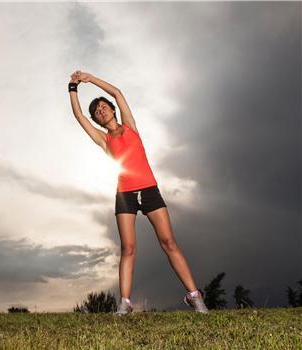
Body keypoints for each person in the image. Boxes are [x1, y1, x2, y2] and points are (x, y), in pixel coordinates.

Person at [68, 70, 209, 316]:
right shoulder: (103, 140)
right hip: (125, 195)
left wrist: (90, 78)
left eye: (103, 107)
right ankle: (125, 303)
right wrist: (73, 88)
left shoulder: (130, 126)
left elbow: (117, 92)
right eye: (97, 112)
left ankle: (194, 297)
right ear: (98, 120)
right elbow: (80, 116)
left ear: (112, 109)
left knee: (169, 242)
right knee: (128, 248)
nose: (101, 111)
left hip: (149, 190)